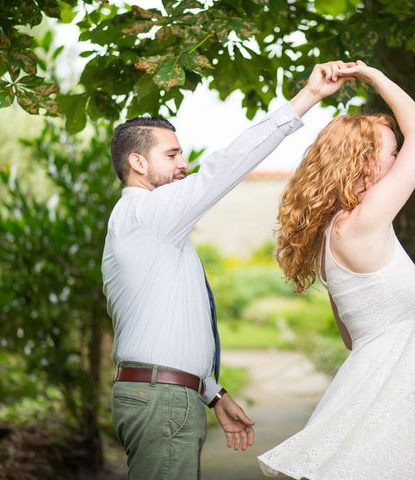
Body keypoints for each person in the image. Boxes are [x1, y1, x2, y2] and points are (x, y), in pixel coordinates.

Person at [101, 60, 356, 479]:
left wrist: (214, 394)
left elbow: (166, 330)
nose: (184, 163)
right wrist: (307, 98)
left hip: (167, 395)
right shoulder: (148, 214)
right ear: (138, 163)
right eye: (172, 154)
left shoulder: (153, 229)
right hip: (161, 400)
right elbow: (227, 166)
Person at [258, 61, 415, 479]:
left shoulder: (332, 236)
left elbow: (357, 336)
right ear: (364, 162)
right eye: (392, 153)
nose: (399, 161)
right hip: (378, 405)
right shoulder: (364, 221)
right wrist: (375, 76)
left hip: (379, 393)